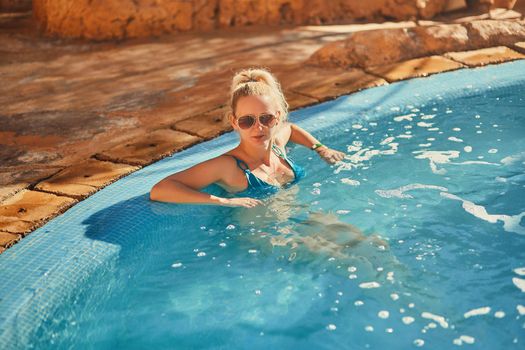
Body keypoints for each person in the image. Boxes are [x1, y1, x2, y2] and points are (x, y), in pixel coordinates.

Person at [150, 67, 345, 207]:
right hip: (268, 240)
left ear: (276, 117)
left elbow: (290, 128)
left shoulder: (277, 147)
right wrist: (223, 201)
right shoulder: (228, 166)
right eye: (247, 121)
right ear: (234, 122)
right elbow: (160, 189)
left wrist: (321, 148)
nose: (258, 127)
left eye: (266, 118)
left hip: (300, 218)